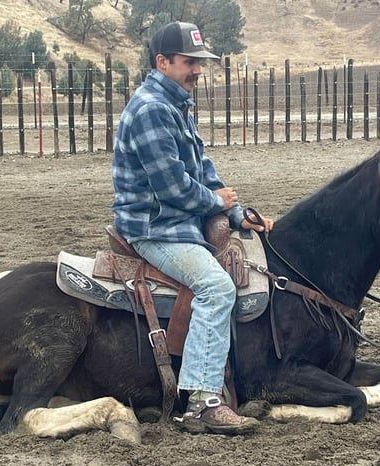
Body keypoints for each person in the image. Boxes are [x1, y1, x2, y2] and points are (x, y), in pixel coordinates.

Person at [111, 21, 273, 435]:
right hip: (156, 227)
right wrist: (216, 203)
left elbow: (203, 171)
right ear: (162, 62)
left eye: (200, 62)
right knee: (216, 288)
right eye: (189, 62)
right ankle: (201, 401)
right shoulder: (151, 110)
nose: (197, 70)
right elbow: (173, 187)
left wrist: (237, 216)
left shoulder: (176, 105)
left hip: (178, 219)